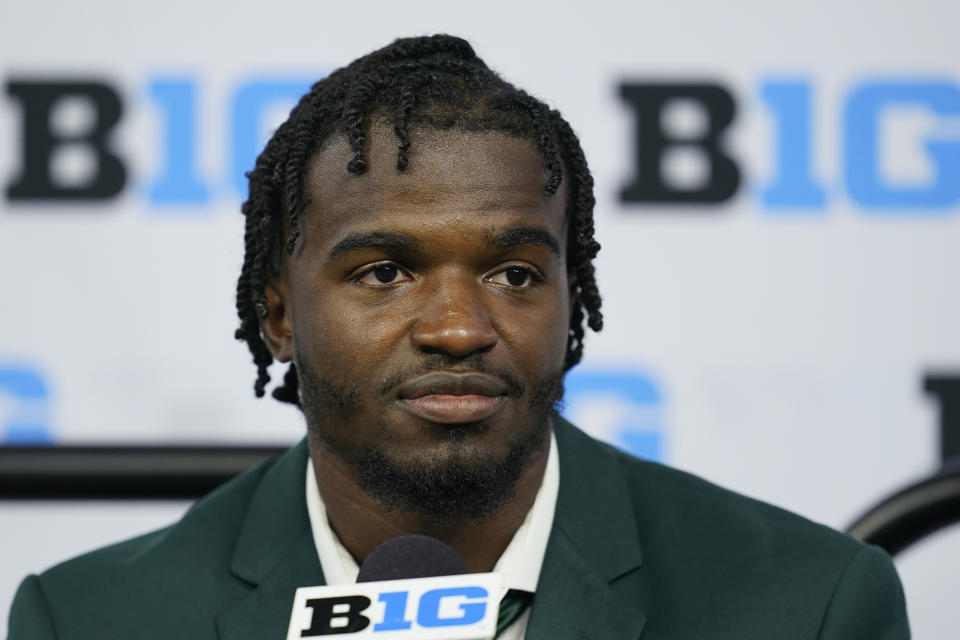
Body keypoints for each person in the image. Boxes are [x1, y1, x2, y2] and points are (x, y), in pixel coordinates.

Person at [7, 35, 909, 639]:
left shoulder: (808, 607)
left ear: (571, 296)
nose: (457, 329)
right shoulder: (92, 618)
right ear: (277, 314)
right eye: (384, 273)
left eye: (514, 274)